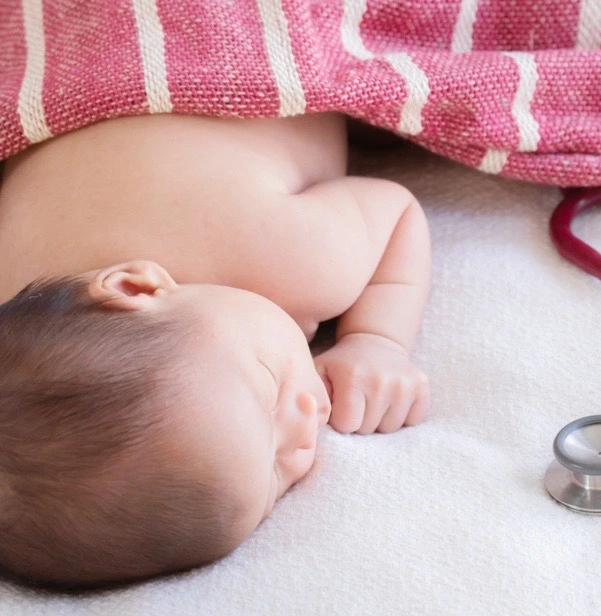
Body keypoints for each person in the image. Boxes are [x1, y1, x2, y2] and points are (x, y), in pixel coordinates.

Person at [0, 112, 431, 589]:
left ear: (136, 287)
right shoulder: (16, 301)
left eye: (268, 381)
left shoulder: (298, 261)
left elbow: (396, 210)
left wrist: (376, 340)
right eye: (274, 476)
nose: (306, 430)